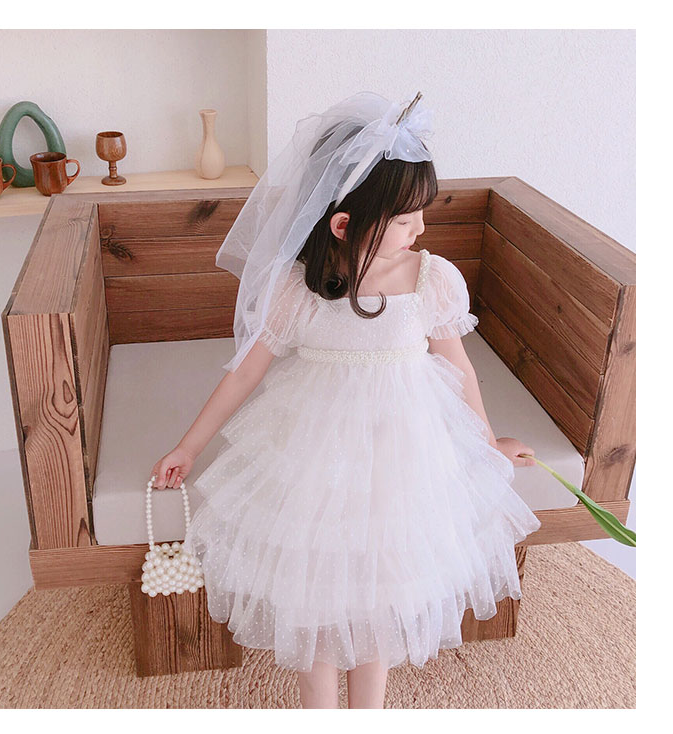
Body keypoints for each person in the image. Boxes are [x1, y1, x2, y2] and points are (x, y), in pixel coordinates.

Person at [150, 91, 540, 709]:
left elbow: (457, 366)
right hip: (317, 458)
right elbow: (244, 375)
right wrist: (188, 448)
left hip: (401, 460)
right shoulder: (297, 288)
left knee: (380, 595)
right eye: (405, 220)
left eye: (421, 214)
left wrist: (487, 443)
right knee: (316, 598)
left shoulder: (431, 279)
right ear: (342, 223)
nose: (421, 229)